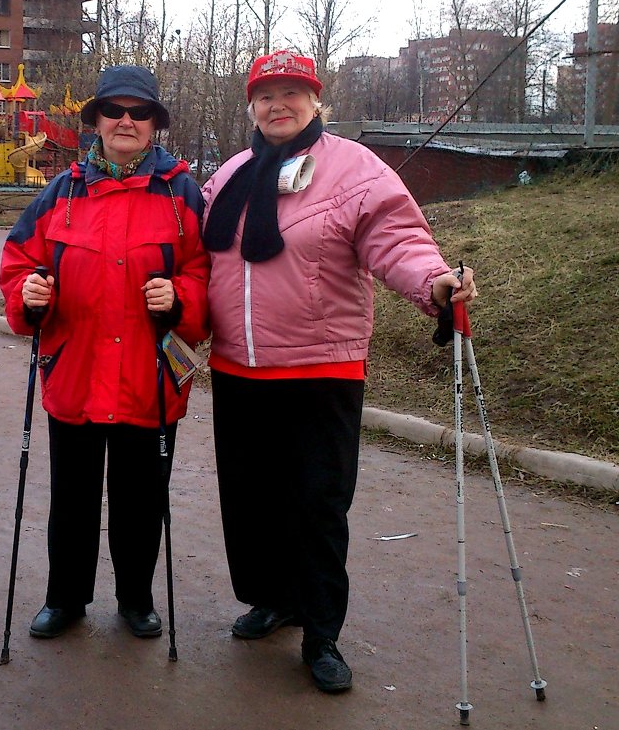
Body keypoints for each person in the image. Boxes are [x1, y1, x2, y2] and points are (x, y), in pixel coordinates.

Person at [201, 50, 478, 693]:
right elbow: (197, 254)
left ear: (316, 101)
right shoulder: (231, 176)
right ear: (251, 104)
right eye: (266, 93)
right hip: (238, 369)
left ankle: (322, 632)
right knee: (251, 500)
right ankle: (275, 599)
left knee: (318, 503)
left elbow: (396, 239)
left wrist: (433, 282)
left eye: (293, 92)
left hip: (321, 370)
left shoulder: (354, 168)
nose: (279, 104)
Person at [0, 65, 210, 640]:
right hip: (77, 373)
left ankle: (136, 598)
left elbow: (205, 271)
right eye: (113, 110)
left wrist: (181, 297)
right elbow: (19, 261)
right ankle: (65, 597)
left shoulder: (181, 193)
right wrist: (30, 293)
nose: (125, 121)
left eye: (138, 112)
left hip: (150, 377)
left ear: (154, 125)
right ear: (94, 120)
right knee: (71, 498)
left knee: (141, 500)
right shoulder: (61, 191)